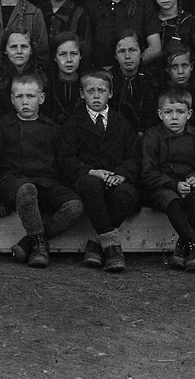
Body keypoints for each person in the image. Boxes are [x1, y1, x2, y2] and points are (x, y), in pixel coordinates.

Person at [0, 72, 84, 268]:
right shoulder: (1, 126)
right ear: (12, 99)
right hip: (12, 182)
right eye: (19, 96)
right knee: (26, 190)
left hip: (46, 182)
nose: (25, 102)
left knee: (75, 205)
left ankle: (30, 241)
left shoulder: (52, 128)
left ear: (41, 98)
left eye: (31, 96)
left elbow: (60, 166)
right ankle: (40, 247)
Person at [61, 69, 142, 272]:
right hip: (88, 180)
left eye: (102, 91)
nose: (96, 96)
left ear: (110, 93)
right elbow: (65, 158)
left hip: (115, 180)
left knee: (127, 194)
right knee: (90, 184)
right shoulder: (73, 123)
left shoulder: (122, 123)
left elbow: (134, 157)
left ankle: (96, 245)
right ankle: (112, 248)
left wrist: (121, 174)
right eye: (90, 91)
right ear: (82, 94)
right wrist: (91, 171)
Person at [141, 86, 195, 272]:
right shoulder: (153, 135)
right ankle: (194, 248)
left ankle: (181, 249)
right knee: (171, 200)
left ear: (189, 114)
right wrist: (173, 185)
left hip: (189, 184)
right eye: (168, 112)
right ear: (159, 113)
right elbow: (148, 172)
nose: (174, 117)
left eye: (180, 112)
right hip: (162, 186)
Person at [109, 31, 160, 133]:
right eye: (121, 51)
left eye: (132, 50)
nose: (127, 56)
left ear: (141, 52)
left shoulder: (150, 82)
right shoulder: (108, 81)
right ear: (115, 55)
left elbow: (152, 117)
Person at [0, 29, 44, 115]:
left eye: (24, 46)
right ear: (5, 50)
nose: (19, 52)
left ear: (31, 50)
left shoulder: (41, 76)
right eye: (13, 47)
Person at [43, 32, 86, 123]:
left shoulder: (87, 83)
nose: (69, 60)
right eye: (62, 54)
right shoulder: (47, 84)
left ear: (80, 56)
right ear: (55, 57)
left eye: (74, 53)